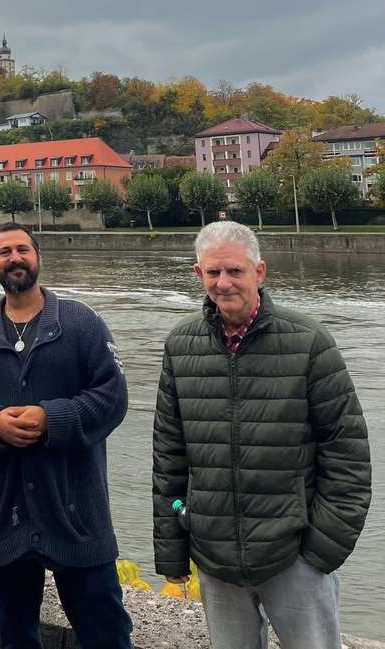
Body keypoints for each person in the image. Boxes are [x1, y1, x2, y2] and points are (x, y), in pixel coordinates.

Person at [152, 220, 371, 649]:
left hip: (294, 555)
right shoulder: (181, 346)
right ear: (198, 274)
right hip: (214, 558)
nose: (223, 282)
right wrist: (175, 545)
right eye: (213, 272)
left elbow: (348, 459)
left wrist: (320, 552)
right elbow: (169, 458)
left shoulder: (309, 343)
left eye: (235, 271)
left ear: (260, 271)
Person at [0, 222, 133, 649]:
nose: (14, 258)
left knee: (106, 634)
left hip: (76, 514)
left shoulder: (82, 324)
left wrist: (51, 419)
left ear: (38, 257)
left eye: (22, 249)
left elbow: (113, 398)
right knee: (16, 636)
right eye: (3, 251)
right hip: (4, 514)